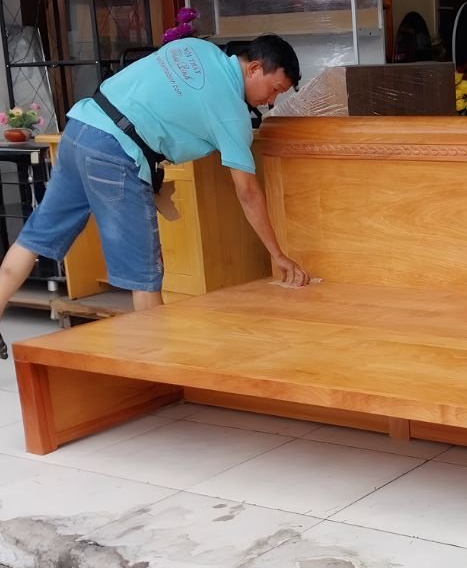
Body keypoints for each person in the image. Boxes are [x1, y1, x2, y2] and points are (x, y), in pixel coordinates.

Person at [0, 34, 310, 360]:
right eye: (274, 89)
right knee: (145, 276)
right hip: (116, 154)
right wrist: (278, 254)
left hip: (80, 130)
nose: (270, 101)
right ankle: (155, 368)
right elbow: (247, 191)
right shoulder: (232, 113)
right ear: (254, 68)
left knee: (35, 238)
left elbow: (159, 102)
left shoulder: (197, 47)